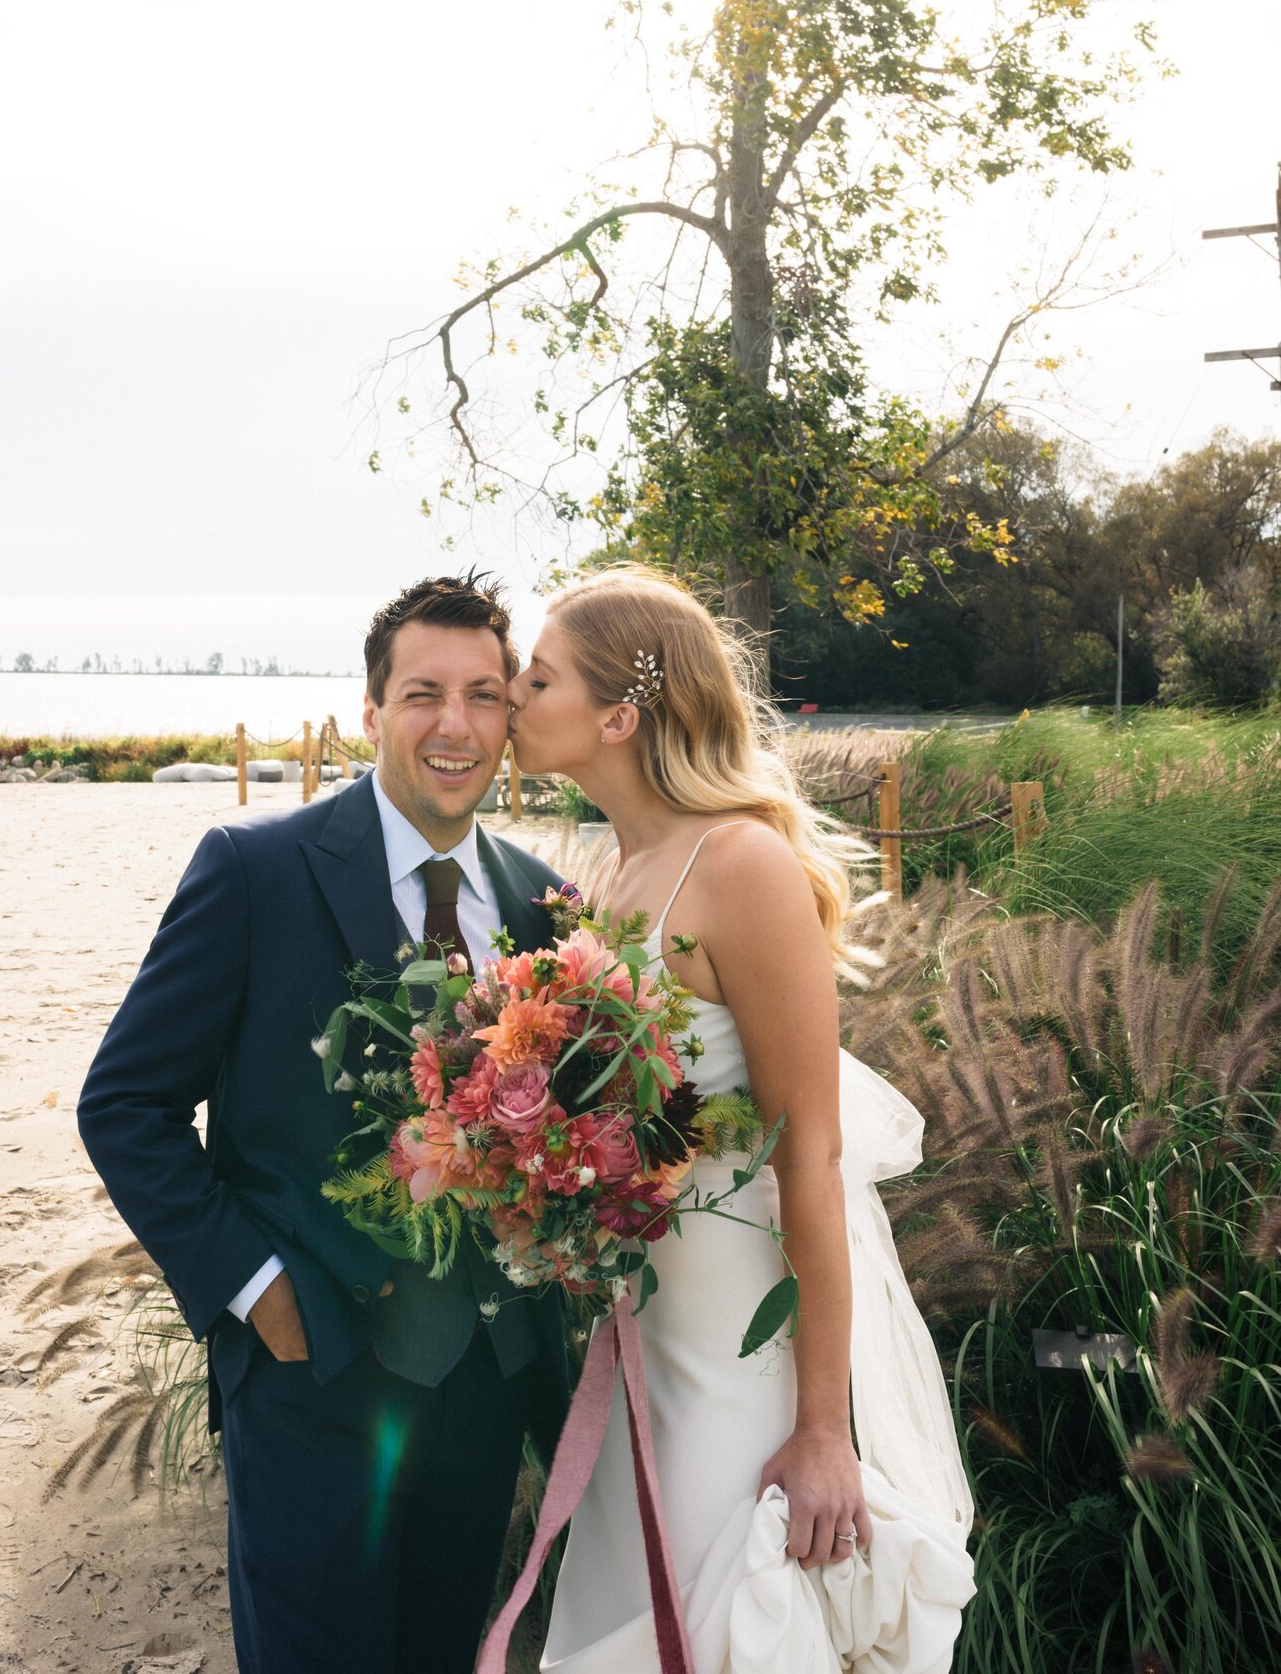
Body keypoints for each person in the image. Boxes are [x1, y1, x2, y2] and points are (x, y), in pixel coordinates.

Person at [77, 574, 567, 1674]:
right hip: (314, 1380)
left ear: (509, 719)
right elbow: (124, 1105)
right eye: (422, 693)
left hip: (486, 1390)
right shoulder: (255, 871)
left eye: (484, 696)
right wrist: (255, 1287)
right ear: (370, 712)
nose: (455, 725)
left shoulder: (542, 902)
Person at [507, 568, 975, 1674]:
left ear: (619, 714)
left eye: (537, 677)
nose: (512, 697)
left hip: (742, 1355)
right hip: (648, 1337)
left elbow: (810, 1153)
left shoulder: (741, 864)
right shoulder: (624, 874)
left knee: (723, 1626)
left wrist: (822, 1429)